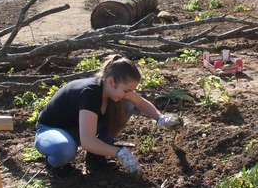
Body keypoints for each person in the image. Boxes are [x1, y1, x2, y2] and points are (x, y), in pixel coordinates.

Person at [34, 54, 181, 176]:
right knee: (63, 150)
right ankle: (56, 165)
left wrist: (160, 118)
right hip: (51, 130)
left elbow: (140, 102)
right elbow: (87, 141)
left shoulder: (112, 89)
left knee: (128, 105)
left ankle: (95, 157)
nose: (129, 94)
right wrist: (120, 153)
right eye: (126, 91)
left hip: (79, 128)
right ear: (111, 82)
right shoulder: (90, 94)